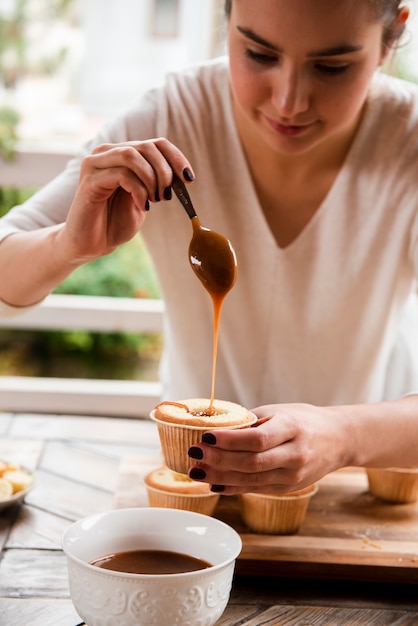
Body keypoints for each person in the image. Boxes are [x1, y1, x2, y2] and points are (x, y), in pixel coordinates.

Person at [1, 0, 418, 495]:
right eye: (259, 54)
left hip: (355, 486)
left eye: (332, 67)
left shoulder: (407, 142)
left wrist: (345, 436)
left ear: (392, 34)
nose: (289, 101)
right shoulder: (173, 114)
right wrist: (68, 244)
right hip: (189, 478)